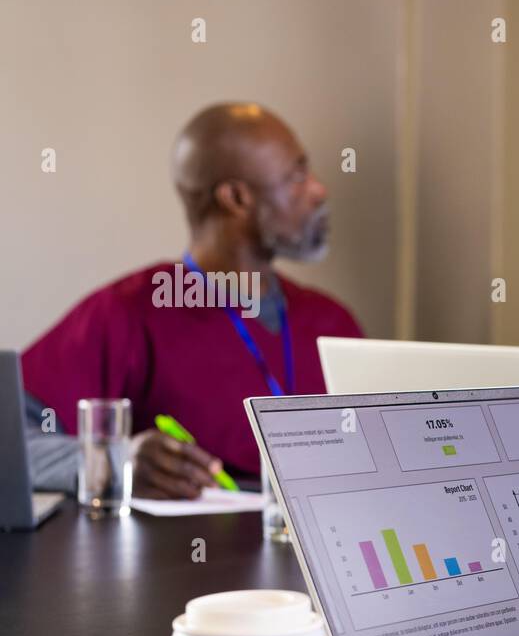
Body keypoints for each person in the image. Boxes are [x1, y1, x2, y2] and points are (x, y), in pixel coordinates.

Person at [22, 103, 363, 499]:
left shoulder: (332, 322)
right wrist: (116, 462)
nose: (319, 190)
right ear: (236, 198)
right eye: (296, 176)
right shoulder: (130, 312)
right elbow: (11, 443)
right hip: (183, 558)